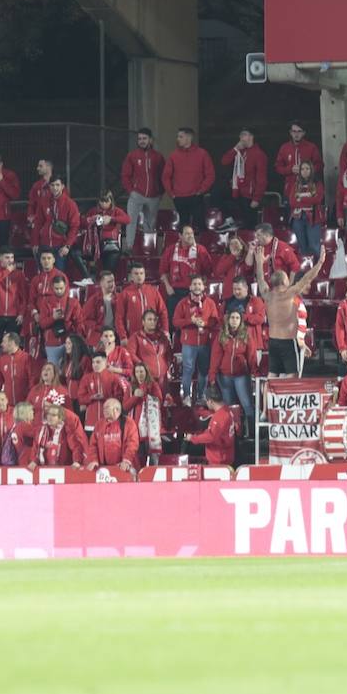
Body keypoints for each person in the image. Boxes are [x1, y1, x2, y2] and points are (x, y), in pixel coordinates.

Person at [257, 245, 327, 377]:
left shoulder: (267, 295)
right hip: (288, 342)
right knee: (291, 377)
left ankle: (266, 398)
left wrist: (259, 263)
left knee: (272, 376)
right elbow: (307, 278)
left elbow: (260, 279)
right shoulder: (289, 294)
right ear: (285, 281)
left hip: (273, 341)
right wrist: (320, 263)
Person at [174, 275, 220, 406]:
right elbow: (176, 321)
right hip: (189, 343)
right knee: (188, 370)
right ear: (190, 287)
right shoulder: (183, 303)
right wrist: (191, 321)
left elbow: (215, 320)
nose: (197, 286)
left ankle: (201, 396)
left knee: (204, 371)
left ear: (204, 286)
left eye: (199, 284)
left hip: (205, 342)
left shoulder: (210, 303)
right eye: (194, 284)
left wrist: (205, 323)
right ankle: (187, 396)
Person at [121, 128, 166, 252]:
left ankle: (148, 248)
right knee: (130, 221)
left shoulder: (158, 157)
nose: (142, 141)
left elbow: (164, 176)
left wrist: (161, 192)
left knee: (150, 223)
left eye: (144, 138)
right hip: (137, 195)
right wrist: (131, 191)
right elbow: (125, 175)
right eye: (139, 139)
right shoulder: (132, 156)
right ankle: (129, 248)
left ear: (150, 140)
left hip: (154, 195)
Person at [163, 127, 215, 231]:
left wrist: (201, 190)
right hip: (179, 197)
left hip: (196, 196)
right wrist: (171, 193)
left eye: (180, 136)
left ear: (189, 138)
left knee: (200, 226)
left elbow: (210, 174)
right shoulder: (174, 156)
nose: (178, 139)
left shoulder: (202, 154)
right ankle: (184, 248)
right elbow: (165, 176)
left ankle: (201, 247)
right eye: (178, 136)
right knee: (183, 228)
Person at [220, 128, 268, 229]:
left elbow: (261, 178)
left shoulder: (259, 154)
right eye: (240, 135)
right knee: (217, 194)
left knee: (249, 225)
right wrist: (235, 148)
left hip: (249, 194)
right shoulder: (240, 151)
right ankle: (230, 221)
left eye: (244, 135)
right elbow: (224, 161)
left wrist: (257, 198)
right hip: (237, 190)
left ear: (251, 136)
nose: (241, 138)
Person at [33, 175, 80, 272]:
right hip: (45, 244)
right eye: (52, 185)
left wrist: (67, 245)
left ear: (63, 186)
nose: (55, 188)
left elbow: (74, 227)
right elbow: (38, 223)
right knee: (44, 274)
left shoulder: (70, 204)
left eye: (57, 185)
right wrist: (35, 242)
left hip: (60, 246)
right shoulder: (44, 201)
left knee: (58, 276)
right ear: (49, 186)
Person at [85, 397, 140, 472]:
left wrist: (127, 460)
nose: (104, 410)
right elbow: (92, 445)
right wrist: (94, 460)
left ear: (117, 410)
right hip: (104, 469)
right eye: (103, 408)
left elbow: (133, 444)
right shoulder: (99, 424)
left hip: (125, 468)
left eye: (107, 408)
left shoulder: (129, 423)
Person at [187, 387, 236, 466]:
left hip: (219, 460)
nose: (206, 403)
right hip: (226, 457)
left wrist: (193, 438)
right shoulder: (227, 410)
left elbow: (211, 437)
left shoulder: (220, 416)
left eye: (206, 401)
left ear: (210, 401)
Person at [288, 159, 326, 257]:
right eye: (302, 169)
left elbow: (317, 199)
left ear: (311, 170)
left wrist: (300, 198)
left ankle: (318, 269)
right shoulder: (296, 184)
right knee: (302, 247)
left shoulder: (318, 184)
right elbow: (292, 202)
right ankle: (307, 270)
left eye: (307, 169)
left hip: (313, 218)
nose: (305, 171)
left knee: (314, 246)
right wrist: (308, 198)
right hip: (298, 218)